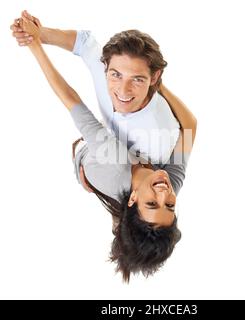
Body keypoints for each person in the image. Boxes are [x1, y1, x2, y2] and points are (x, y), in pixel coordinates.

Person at [13, 12, 197, 282]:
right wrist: (159, 86)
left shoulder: (112, 162)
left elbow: (72, 101)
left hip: (89, 159)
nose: (163, 193)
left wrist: (35, 45)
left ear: (133, 199)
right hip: (127, 162)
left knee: (123, 140)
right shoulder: (171, 184)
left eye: (151, 202)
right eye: (169, 205)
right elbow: (190, 126)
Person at [11, 10, 181, 165]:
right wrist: (38, 33)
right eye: (116, 75)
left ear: (155, 77)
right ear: (106, 66)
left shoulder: (158, 140)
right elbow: (84, 42)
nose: (123, 90)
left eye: (137, 79)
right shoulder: (106, 66)